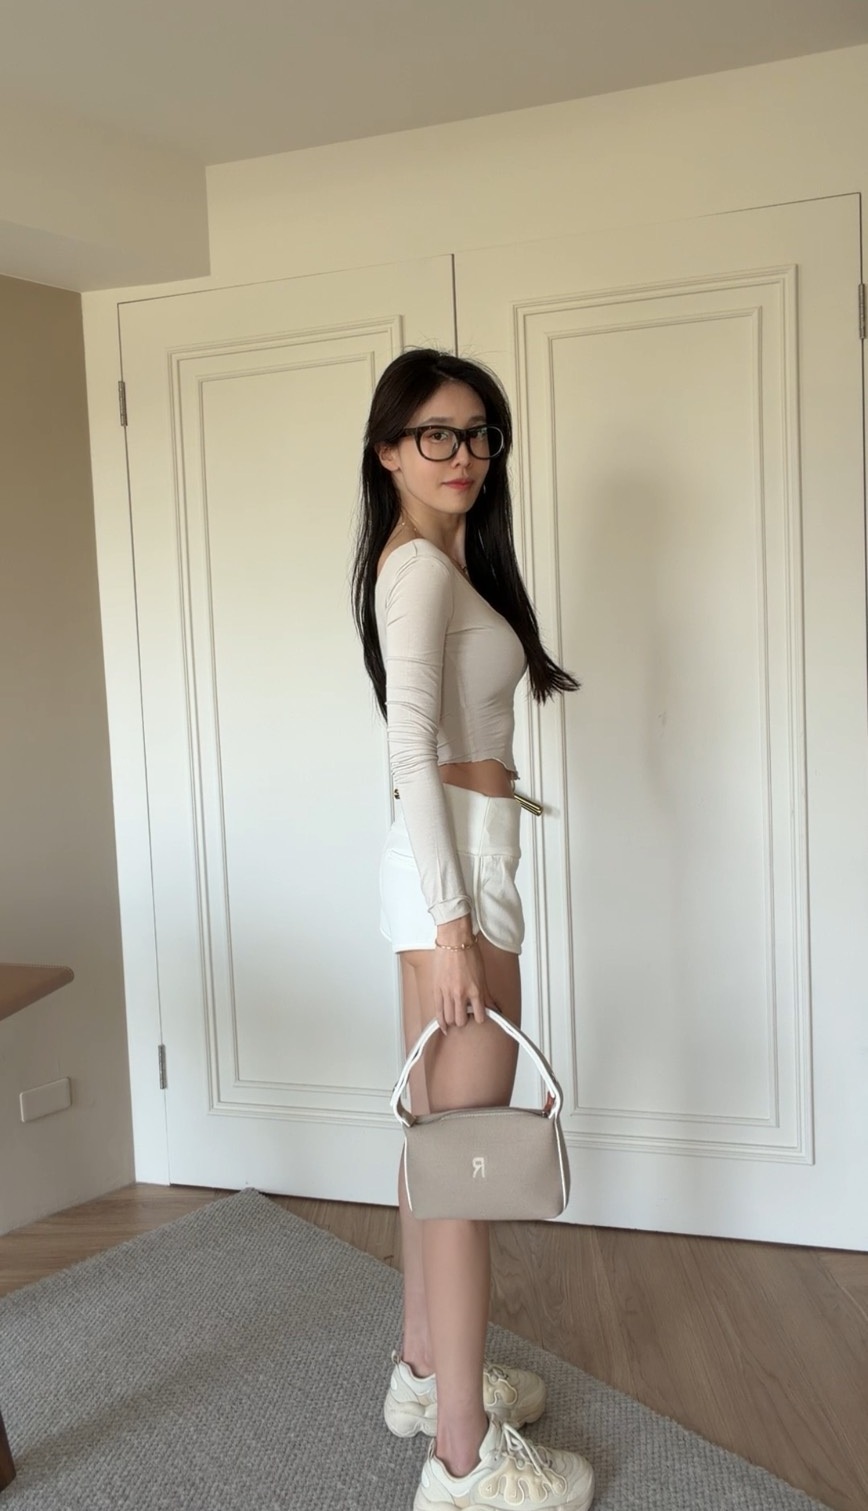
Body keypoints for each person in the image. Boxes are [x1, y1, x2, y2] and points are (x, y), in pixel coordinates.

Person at [352, 349, 595, 1511]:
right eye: (436, 434)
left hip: (447, 854)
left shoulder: (440, 563)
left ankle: (423, 1371)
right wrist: (455, 925)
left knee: (435, 1138)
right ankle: (461, 1459)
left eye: (480, 432)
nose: (465, 454)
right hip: (454, 866)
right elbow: (408, 745)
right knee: (464, 1163)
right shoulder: (416, 570)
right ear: (388, 449)